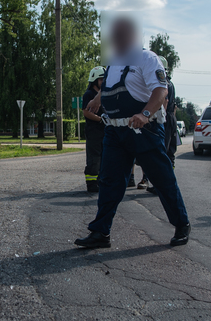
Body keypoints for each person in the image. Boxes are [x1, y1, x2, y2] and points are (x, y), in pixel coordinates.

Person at [75, 17, 191, 249]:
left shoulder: (147, 59)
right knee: (109, 182)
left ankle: (182, 224)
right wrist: (98, 99)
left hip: (143, 130)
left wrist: (146, 114)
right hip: (115, 132)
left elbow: (161, 90)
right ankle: (101, 232)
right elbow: (109, 84)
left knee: (162, 179)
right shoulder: (114, 61)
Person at [147, 56, 181, 194]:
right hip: (171, 118)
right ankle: (168, 182)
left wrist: (159, 117)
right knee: (169, 152)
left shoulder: (163, 83)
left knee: (161, 151)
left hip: (165, 118)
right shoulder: (170, 83)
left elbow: (164, 102)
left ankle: (161, 185)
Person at [82, 66, 106, 193]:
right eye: (101, 79)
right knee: (94, 158)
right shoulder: (89, 94)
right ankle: (91, 184)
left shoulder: (105, 94)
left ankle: (101, 181)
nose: (103, 82)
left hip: (104, 130)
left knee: (104, 157)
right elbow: (86, 112)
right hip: (94, 131)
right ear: (94, 80)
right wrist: (100, 119)